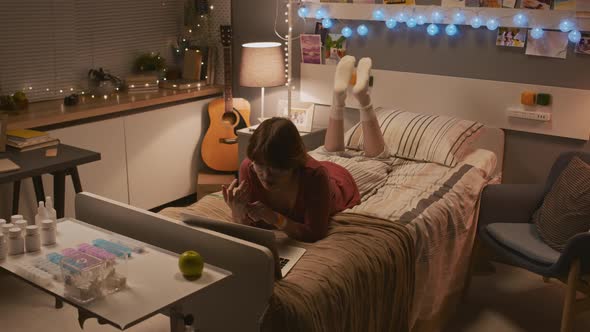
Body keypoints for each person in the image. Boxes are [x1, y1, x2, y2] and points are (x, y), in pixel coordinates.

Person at [222, 56, 385, 242]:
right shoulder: (249, 167)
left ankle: (363, 99)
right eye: (260, 165)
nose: (265, 175)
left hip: (337, 179)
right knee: (328, 151)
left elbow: (314, 233)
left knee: (377, 160)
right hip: (319, 165)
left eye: (275, 168)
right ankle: (338, 98)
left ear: (292, 162)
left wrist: (275, 218)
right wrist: (237, 212)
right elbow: (248, 225)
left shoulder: (315, 176)